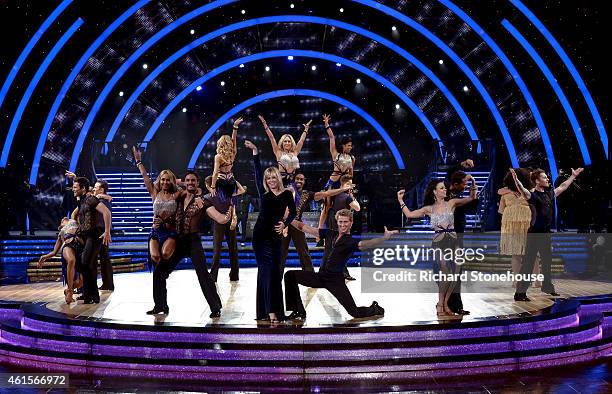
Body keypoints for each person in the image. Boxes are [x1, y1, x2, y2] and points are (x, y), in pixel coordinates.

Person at [284, 209, 396, 320]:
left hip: (335, 281)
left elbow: (367, 244)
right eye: (340, 221)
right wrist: (288, 219)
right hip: (321, 277)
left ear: (351, 223)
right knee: (289, 275)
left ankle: (375, 309)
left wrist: (384, 238)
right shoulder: (329, 233)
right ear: (337, 222)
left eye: (345, 222)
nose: (342, 225)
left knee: (355, 313)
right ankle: (298, 311)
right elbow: (304, 227)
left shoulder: (350, 241)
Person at [147, 171, 231, 317]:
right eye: (188, 180)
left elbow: (218, 217)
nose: (190, 183)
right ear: (184, 182)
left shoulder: (202, 201)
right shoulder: (179, 197)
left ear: (197, 183)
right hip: (178, 241)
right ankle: (160, 305)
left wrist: (228, 216)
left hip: (193, 242)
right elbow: (165, 188)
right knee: (159, 271)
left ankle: (215, 307)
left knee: (203, 274)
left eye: (193, 181)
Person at [397, 178, 477, 317]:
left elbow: (471, 198)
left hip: (453, 241)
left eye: (445, 188)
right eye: (441, 188)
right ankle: (441, 303)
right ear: (434, 192)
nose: (445, 189)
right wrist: (400, 200)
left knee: (455, 274)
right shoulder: (429, 208)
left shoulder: (452, 203)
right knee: (445, 274)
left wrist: (473, 183)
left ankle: (445, 303)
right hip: (439, 242)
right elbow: (409, 214)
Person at [512, 167, 583, 301]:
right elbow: (522, 190)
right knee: (528, 263)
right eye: (544, 177)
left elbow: (563, 186)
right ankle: (520, 293)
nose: (547, 179)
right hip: (534, 234)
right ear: (537, 181)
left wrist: (573, 176)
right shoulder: (532, 196)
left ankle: (547, 287)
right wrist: (516, 180)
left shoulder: (550, 193)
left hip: (546, 233)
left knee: (547, 262)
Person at [245, 140, 296, 323]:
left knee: (274, 274)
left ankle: (265, 311)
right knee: (267, 273)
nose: (271, 181)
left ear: (278, 178)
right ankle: (272, 311)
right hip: (260, 238)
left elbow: (294, 212)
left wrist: (284, 223)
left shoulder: (287, 194)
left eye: (273, 177)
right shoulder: (263, 194)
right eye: (268, 179)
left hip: (275, 238)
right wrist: (256, 153)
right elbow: (258, 173)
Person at [280, 173, 350, 272]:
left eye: (301, 179)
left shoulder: (307, 194)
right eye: (297, 179)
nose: (299, 181)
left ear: (304, 181)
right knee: (281, 253)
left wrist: (342, 189)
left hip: (297, 225)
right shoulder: (286, 191)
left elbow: (326, 194)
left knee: (304, 252)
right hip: (284, 225)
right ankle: (275, 278)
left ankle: (310, 276)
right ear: (294, 180)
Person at [133, 147, 184, 268]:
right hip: (156, 230)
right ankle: (161, 275)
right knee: (155, 256)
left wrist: (177, 182)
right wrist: (139, 162)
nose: (165, 182)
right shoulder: (154, 192)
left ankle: (166, 270)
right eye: (163, 180)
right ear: (159, 181)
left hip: (171, 229)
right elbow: (144, 175)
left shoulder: (177, 193)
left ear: (171, 181)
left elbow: (192, 187)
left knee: (166, 254)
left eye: (168, 180)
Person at [70, 177, 112, 304]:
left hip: (94, 235)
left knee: (84, 263)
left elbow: (106, 213)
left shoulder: (90, 199)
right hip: (85, 236)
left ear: (83, 189)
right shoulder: (81, 200)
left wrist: (107, 231)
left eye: (76, 187)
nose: (73, 189)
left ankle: (91, 295)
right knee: (87, 266)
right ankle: (91, 295)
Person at [498, 168, 539, 287]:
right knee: (528, 253)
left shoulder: (506, 194)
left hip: (517, 224)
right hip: (520, 224)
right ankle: (534, 280)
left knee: (518, 253)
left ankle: (520, 280)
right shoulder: (529, 192)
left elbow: (501, 210)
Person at [445, 167, 478, 315]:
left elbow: (472, 205)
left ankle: (454, 305)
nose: (465, 187)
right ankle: (449, 305)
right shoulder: (447, 196)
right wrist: (471, 182)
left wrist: (472, 183)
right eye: (463, 184)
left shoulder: (455, 195)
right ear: (456, 183)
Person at [258, 115, 311, 204]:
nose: (287, 143)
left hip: (292, 181)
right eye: (285, 141)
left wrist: (306, 129)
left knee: (295, 205)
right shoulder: (278, 152)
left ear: (291, 142)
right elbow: (271, 138)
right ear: (282, 143)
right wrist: (264, 123)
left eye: (289, 141)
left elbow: (301, 140)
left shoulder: (295, 152)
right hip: (281, 181)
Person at [317, 114, 356, 233]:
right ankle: (319, 231)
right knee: (327, 207)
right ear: (343, 145)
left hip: (342, 186)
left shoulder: (352, 158)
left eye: (351, 146)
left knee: (344, 208)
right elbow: (332, 138)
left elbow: (350, 175)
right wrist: (327, 124)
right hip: (332, 184)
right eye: (348, 145)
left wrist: (349, 188)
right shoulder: (336, 154)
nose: (350, 147)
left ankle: (344, 231)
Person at [205, 175, 245, 282]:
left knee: (221, 250)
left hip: (227, 222)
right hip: (221, 222)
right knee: (229, 249)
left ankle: (217, 276)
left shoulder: (224, 193)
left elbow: (238, 196)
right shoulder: (209, 197)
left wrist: (232, 179)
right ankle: (229, 275)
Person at [38, 217, 83, 304]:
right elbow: (54, 252)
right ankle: (70, 291)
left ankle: (68, 290)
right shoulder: (61, 232)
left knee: (81, 282)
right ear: (61, 224)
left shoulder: (73, 221)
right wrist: (44, 257)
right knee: (71, 260)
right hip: (68, 245)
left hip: (80, 246)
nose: (63, 218)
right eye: (62, 220)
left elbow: (78, 209)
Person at [210, 117, 243, 230]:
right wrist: (235, 127)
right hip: (230, 180)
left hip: (223, 181)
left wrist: (213, 186)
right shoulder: (232, 154)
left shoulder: (218, 157)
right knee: (233, 196)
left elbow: (215, 173)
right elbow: (234, 140)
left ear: (220, 144)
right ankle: (233, 214)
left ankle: (229, 215)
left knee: (223, 198)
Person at [326, 174, 360, 281]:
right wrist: (352, 196)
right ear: (343, 184)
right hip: (342, 228)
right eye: (349, 184)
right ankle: (341, 273)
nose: (351, 186)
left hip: (335, 226)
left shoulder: (335, 195)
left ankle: (342, 273)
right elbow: (358, 208)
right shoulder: (347, 197)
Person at [92, 179, 114, 291]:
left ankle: (107, 284)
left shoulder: (101, 200)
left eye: (96, 187)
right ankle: (107, 284)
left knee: (101, 258)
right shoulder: (101, 198)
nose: (94, 188)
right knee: (104, 257)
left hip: (101, 231)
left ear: (101, 189)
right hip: (102, 231)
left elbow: (107, 214)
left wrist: (106, 231)